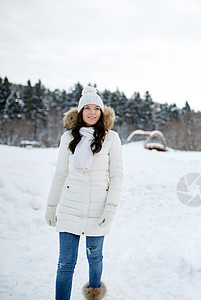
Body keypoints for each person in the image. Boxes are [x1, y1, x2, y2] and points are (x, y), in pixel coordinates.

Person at [45, 86, 123, 300]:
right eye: (87, 108)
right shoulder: (68, 137)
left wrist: (111, 207)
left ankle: (95, 290)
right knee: (65, 263)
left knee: (94, 257)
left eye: (96, 108)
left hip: (99, 209)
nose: (91, 112)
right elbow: (60, 174)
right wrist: (52, 206)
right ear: (79, 112)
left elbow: (117, 176)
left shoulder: (111, 138)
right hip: (70, 208)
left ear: (102, 112)